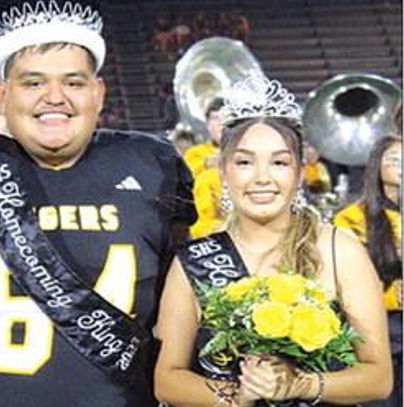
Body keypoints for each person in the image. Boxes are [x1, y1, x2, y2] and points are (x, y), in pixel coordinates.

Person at [0, 1, 196, 407]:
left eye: (74, 83)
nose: (55, 98)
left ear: (98, 93)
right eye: (33, 83)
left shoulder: (152, 166)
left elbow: (184, 324)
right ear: (2, 93)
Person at [154, 75, 392, 406]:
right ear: (223, 171)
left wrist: (301, 384)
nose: (262, 178)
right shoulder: (194, 260)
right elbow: (167, 379)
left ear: (298, 173)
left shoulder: (340, 249)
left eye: (279, 162)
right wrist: (238, 396)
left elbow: (379, 378)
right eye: (245, 162)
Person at [334, 135, 402, 407]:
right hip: (380, 327)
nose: (402, 167)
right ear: (377, 167)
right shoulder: (352, 217)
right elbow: (349, 280)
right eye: (395, 160)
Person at [184, 98, 225, 238]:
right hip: (204, 231)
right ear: (207, 124)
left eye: (226, 118)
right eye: (215, 118)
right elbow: (187, 177)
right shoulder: (196, 154)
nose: (221, 124)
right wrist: (206, 163)